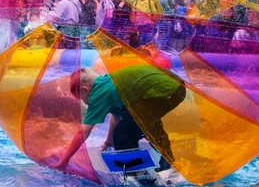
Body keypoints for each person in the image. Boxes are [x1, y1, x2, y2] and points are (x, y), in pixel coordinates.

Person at [54, 66, 186, 172]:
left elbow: (83, 132)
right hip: (174, 86)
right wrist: (108, 142)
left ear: (85, 90)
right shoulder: (108, 82)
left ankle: (138, 173)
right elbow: (116, 116)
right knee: (141, 123)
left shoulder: (99, 93)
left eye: (81, 99)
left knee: (124, 134)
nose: (84, 103)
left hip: (165, 91)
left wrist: (64, 160)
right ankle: (168, 162)